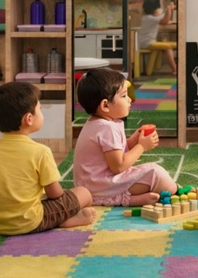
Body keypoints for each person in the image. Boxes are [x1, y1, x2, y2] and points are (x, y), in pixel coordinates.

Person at [0, 82, 98, 235]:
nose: (41, 113)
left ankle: (53, 218)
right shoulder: (41, 152)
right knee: (84, 193)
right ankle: (62, 220)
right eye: (40, 109)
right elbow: (55, 194)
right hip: (28, 222)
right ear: (29, 119)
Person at [74, 67, 177, 206]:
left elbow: (112, 153)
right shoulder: (107, 128)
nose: (129, 100)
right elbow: (119, 166)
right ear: (105, 105)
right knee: (156, 174)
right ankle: (122, 198)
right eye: (123, 96)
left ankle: (130, 198)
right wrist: (142, 146)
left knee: (156, 176)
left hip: (91, 185)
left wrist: (134, 141)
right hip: (100, 186)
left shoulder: (97, 123)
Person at [138, 0, 177, 75]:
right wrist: (169, 9)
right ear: (155, 10)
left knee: (165, 44)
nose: (160, 10)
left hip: (143, 42)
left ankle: (174, 68)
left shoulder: (146, 18)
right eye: (159, 8)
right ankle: (175, 69)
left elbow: (163, 19)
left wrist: (169, 10)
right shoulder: (150, 18)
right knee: (168, 47)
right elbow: (165, 21)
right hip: (147, 43)